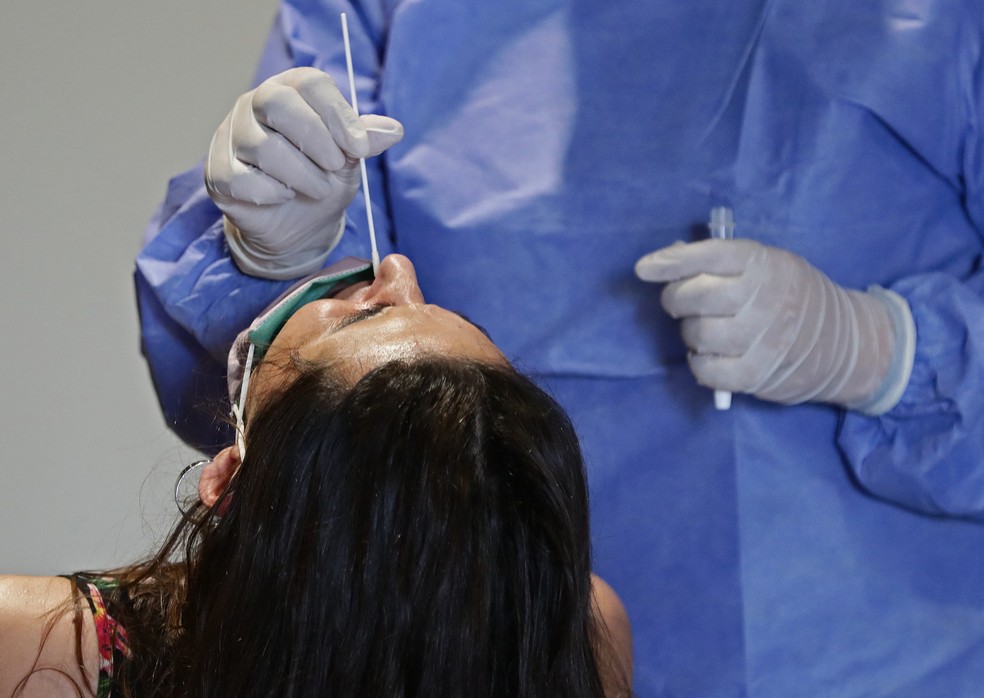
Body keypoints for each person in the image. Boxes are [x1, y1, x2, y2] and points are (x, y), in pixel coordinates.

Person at [135, 2, 984, 693]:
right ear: (224, 481)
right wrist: (274, 258)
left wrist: (892, 357)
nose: (395, 272)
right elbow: (302, 434)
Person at [0, 255, 633, 697]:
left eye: (361, 317)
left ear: (228, 481)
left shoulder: (38, 650)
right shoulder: (578, 628)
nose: (399, 270)